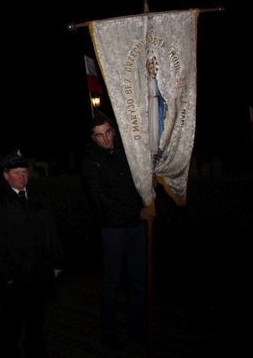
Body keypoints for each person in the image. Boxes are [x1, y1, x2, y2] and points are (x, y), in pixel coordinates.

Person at [0, 149, 65, 358]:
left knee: (36, 321)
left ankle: (36, 349)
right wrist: (4, 277)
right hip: (14, 277)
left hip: (39, 273)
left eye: (24, 172)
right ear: (6, 175)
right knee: (11, 324)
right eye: (16, 173)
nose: (22, 177)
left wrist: (56, 262)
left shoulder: (38, 197)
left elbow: (50, 232)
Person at [81, 111, 155, 351]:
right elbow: (102, 199)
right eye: (99, 135)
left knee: (138, 280)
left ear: (113, 129)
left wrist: (149, 182)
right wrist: (136, 213)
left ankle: (136, 328)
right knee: (111, 282)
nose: (105, 139)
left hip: (136, 228)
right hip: (113, 229)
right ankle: (109, 332)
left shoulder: (126, 149)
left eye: (108, 132)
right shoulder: (91, 161)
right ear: (93, 138)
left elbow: (137, 178)